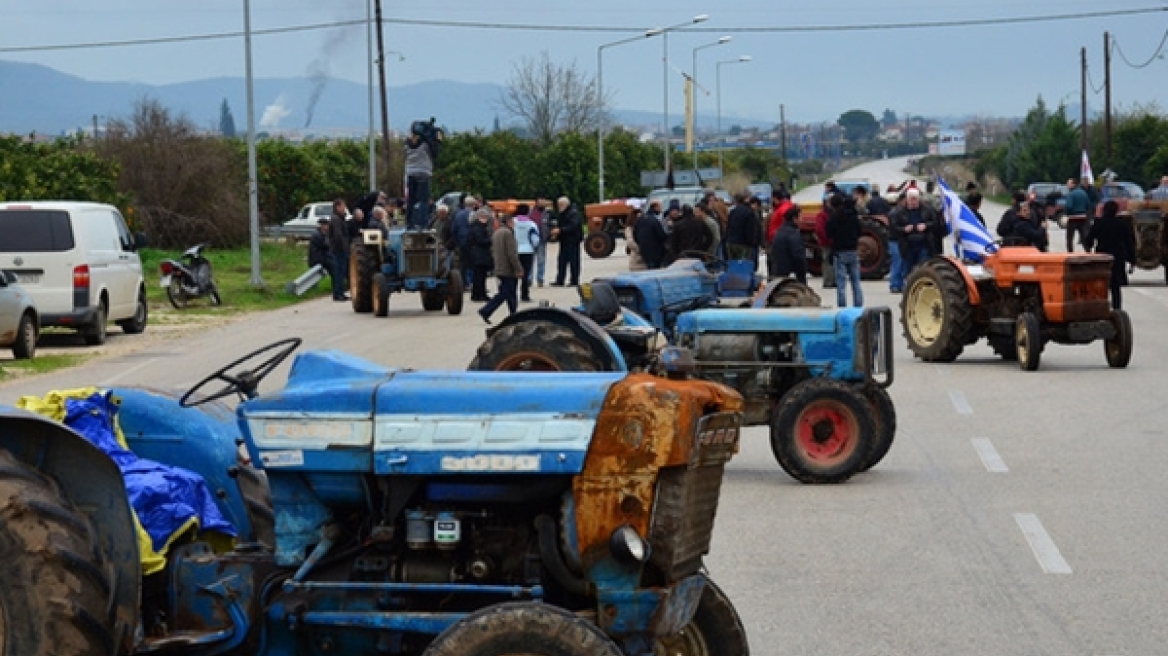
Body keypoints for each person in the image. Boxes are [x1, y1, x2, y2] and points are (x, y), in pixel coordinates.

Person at [1084, 200, 1136, 309]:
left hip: (1102, 257)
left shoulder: (1099, 223)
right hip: (1117, 257)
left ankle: (1100, 307)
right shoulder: (1122, 224)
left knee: (1100, 284)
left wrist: (1088, 251)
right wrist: (1132, 260)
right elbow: (1130, 243)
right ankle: (1117, 309)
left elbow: (1089, 239)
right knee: (1115, 287)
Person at [479, 212, 523, 324]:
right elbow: (512, 253)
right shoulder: (508, 233)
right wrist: (518, 268)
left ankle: (514, 314)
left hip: (499, 267)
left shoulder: (496, 233)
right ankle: (486, 310)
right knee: (505, 293)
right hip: (508, 269)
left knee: (510, 293)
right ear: (509, 222)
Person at [890, 188, 938, 278]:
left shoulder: (927, 210)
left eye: (915, 199)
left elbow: (935, 223)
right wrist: (904, 229)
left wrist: (926, 226)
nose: (913, 202)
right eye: (911, 199)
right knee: (907, 270)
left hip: (923, 244)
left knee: (923, 269)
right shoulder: (899, 212)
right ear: (907, 200)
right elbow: (894, 227)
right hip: (907, 245)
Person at [827, 197, 864, 307]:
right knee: (856, 282)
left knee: (841, 284)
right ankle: (858, 306)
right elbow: (860, 232)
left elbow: (829, 233)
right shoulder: (854, 218)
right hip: (852, 251)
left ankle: (842, 307)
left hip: (839, 251)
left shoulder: (835, 217)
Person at [769, 205, 807, 284]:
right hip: (790, 272)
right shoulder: (792, 233)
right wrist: (802, 270)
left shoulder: (780, 231)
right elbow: (797, 254)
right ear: (794, 219)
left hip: (780, 270)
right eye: (800, 217)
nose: (802, 220)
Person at [550, 196, 582, 287]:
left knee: (574, 262)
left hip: (572, 240)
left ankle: (574, 280)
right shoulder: (563, 213)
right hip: (564, 240)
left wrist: (561, 230)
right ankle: (560, 280)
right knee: (561, 261)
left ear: (565, 204)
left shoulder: (573, 213)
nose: (559, 206)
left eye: (560, 205)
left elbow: (574, 226)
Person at [404, 132, 434, 229]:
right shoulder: (425, 145)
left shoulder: (407, 145)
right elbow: (434, 152)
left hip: (411, 172)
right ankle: (423, 224)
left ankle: (409, 223)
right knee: (423, 200)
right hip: (423, 172)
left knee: (411, 200)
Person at [512, 204, 540, 302]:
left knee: (514, 273)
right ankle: (524, 294)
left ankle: (512, 294)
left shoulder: (512, 222)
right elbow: (535, 239)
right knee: (525, 273)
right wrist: (534, 247)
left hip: (515, 250)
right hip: (527, 250)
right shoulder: (531, 224)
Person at [725, 192, 762, 263]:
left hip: (731, 242)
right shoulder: (749, 212)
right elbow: (750, 230)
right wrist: (752, 243)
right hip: (743, 244)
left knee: (733, 264)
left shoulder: (733, 211)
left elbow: (728, 226)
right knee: (743, 266)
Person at [468, 208, 494, 302]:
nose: (485, 219)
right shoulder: (477, 228)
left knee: (481, 275)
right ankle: (478, 294)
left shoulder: (477, 227)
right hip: (479, 254)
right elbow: (480, 240)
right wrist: (490, 240)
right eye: (483, 217)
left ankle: (480, 294)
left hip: (479, 254)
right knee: (479, 276)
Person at [327, 198, 350, 301]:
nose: (344, 208)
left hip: (340, 249)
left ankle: (340, 292)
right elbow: (338, 235)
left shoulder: (340, 218)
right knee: (339, 272)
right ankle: (338, 293)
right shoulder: (336, 219)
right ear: (337, 207)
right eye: (343, 206)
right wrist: (344, 246)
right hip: (338, 249)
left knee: (341, 271)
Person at [634, 200, 668, 269]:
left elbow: (635, 234)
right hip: (655, 252)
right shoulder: (654, 220)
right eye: (660, 207)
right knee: (654, 270)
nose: (661, 210)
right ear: (655, 207)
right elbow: (661, 235)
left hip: (644, 251)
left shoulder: (640, 219)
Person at [452, 195, 475, 288]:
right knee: (472, 263)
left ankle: (463, 282)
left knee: (463, 263)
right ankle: (472, 282)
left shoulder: (458, 214)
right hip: (471, 242)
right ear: (473, 205)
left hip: (461, 242)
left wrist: (457, 240)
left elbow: (453, 229)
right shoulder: (473, 214)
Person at [1063, 177, 1090, 252]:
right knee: (1084, 237)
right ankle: (1088, 251)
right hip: (1083, 217)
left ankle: (1070, 253)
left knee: (1069, 238)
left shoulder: (1071, 194)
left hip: (1072, 218)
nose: (1067, 185)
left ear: (1073, 184)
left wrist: (1067, 213)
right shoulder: (1084, 193)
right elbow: (1088, 205)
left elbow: (1069, 206)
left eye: (1068, 183)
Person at [815, 197, 836, 289]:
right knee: (827, 260)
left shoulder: (831, 214)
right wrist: (827, 239)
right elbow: (820, 230)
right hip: (826, 242)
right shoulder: (822, 215)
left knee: (831, 261)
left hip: (832, 241)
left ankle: (833, 280)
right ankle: (828, 281)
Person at [530, 198, 550, 287]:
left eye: (544, 202)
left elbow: (550, 223)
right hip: (531, 239)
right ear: (536, 203)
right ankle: (529, 279)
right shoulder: (530, 212)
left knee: (541, 260)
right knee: (530, 261)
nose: (542, 203)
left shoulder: (547, 213)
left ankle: (540, 279)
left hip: (542, 239)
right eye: (540, 202)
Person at [308, 216, 332, 287]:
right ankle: (337, 285)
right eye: (326, 224)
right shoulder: (316, 234)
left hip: (322, 257)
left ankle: (337, 284)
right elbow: (325, 246)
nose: (327, 226)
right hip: (317, 258)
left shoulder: (324, 233)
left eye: (328, 224)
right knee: (333, 266)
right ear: (321, 225)